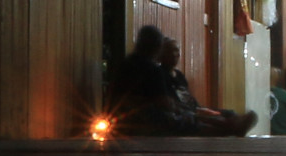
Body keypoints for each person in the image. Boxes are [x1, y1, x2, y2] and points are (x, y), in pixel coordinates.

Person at [104, 26, 252, 137]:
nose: (176, 55)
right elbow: (164, 103)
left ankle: (232, 125)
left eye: (177, 51)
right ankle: (230, 129)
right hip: (146, 118)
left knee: (193, 116)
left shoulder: (125, 64)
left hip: (120, 117)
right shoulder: (153, 70)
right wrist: (186, 111)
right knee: (188, 120)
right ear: (158, 49)